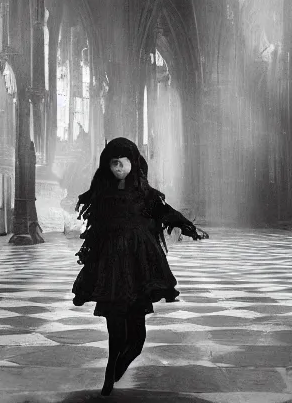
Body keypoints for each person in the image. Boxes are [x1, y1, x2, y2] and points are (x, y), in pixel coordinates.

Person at [71, 137, 208, 396]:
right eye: (113, 164)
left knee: (137, 337)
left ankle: (119, 364)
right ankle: (111, 368)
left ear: (133, 163)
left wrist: (188, 227)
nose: (118, 169)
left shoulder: (145, 195)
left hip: (138, 269)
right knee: (115, 326)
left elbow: (165, 212)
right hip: (110, 270)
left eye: (122, 163)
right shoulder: (103, 194)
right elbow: (94, 229)